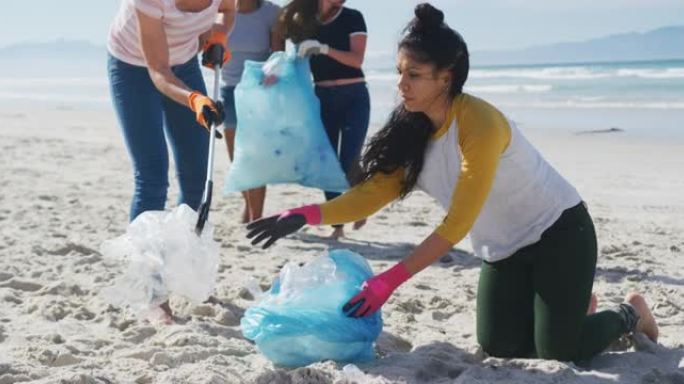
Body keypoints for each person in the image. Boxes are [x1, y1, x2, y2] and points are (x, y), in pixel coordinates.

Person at [245, 3, 659, 362]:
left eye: (415, 75)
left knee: (560, 351)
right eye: (400, 72)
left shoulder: (478, 123)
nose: (402, 84)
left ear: (446, 78)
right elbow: (371, 195)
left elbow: (458, 223)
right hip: (504, 249)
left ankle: (629, 314)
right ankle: (572, 311)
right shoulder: (411, 129)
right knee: (499, 345)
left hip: (560, 234)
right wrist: (304, 214)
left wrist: (387, 280)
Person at [107, 0, 237, 321]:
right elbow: (158, 72)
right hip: (134, 67)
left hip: (184, 63)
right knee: (152, 177)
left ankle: (183, 274)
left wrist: (217, 35)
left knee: (196, 178)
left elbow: (228, 10)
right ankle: (152, 293)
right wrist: (193, 99)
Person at [276, 0, 370, 239]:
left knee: (349, 160)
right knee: (326, 162)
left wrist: (324, 49)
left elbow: (356, 59)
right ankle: (337, 225)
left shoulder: (353, 17)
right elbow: (289, 56)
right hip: (322, 98)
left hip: (354, 96)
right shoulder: (304, 22)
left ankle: (361, 205)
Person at [221, 0, 283, 223]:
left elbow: (278, 55)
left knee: (254, 158)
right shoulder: (220, 9)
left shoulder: (272, 13)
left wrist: (271, 76)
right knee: (237, 159)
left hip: (258, 92)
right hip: (228, 92)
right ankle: (249, 206)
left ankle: (256, 217)